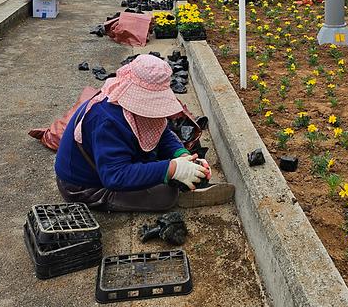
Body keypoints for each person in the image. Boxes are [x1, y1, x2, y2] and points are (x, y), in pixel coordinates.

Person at [55, 54, 235, 211]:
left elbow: (162, 133)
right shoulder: (106, 121)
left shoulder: (129, 107)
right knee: (164, 196)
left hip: (106, 168)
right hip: (84, 186)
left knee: (161, 170)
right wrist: (172, 169)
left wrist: (183, 156)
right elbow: (115, 176)